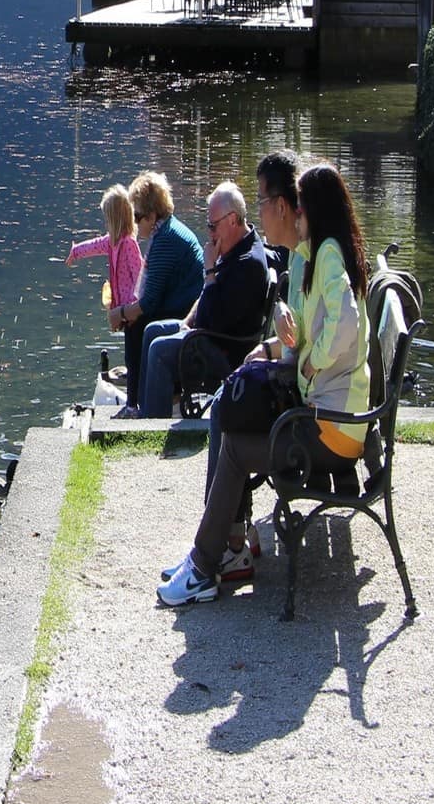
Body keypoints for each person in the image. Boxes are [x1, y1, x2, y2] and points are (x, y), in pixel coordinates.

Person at [159, 155, 371, 607]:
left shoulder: (327, 255)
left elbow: (346, 325)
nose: (296, 213)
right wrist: (280, 349)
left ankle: (207, 560)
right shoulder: (320, 256)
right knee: (228, 407)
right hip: (332, 417)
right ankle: (219, 551)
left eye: (302, 206)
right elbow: (316, 332)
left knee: (233, 437)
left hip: (333, 427)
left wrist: (309, 363)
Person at [137, 180, 274, 421]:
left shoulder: (247, 262)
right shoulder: (232, 247)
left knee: (160, 350)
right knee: (151, 330)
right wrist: (187, 321)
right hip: (208, 331)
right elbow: (206, 298)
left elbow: (217, 319)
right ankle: (144, 412)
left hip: (226, 349)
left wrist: (209, 270)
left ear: (232, 220)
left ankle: (153, 426)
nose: (210, 233)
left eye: (213, 226)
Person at [119, 171, 204, 415]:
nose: (135, 224)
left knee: (134, 325)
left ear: (153, 215)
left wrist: (123, 313)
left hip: (185, 311)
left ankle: (134, 404)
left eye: (138, 217)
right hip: (183, 304)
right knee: (133, 319)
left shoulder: (166, 239)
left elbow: (150, 301)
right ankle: (138, 401)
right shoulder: (167, 231)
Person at [67, 185, 143, 386]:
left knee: (134, 353)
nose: (105, 223)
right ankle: (133, 386)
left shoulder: (128, 244)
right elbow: (94, 245)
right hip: (122, 311)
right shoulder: (112, 241)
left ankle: (135, 394)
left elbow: (140, 275)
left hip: (132, 311)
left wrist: (137, 305)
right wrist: (76, 251)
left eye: (107, 218)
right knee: (130, 350)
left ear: (116, 218)